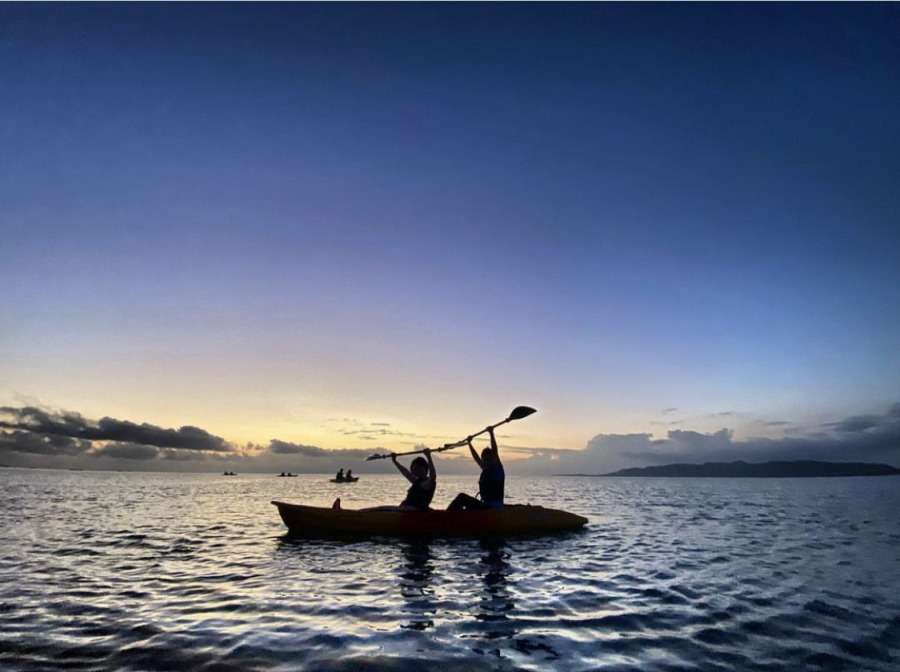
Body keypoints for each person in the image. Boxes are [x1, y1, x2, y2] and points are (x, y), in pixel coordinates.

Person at [447, 427, 504, 511]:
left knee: (462, 497)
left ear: (493, 460)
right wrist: (469, 444)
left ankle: (445, 517)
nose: (486, 462)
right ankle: (450, 516)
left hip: (493, 508)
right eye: (484, 460)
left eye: (488, 460)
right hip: (485, 506)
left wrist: (491, 433)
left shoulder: (497, 471)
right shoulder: (485, 469)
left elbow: (495, 452)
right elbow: (476, 458)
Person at [363, 449, 436, 511]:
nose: (417, 471)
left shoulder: (428, 483)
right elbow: (406, 473)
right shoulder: (417, 482)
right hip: (406, 509)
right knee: (375, 509)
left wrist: (428, 456)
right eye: (415, 469)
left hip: (412, 511)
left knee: (379, 509)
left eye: (419, 468)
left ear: (425, 468)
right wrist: (395, 461)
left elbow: (433, 476)